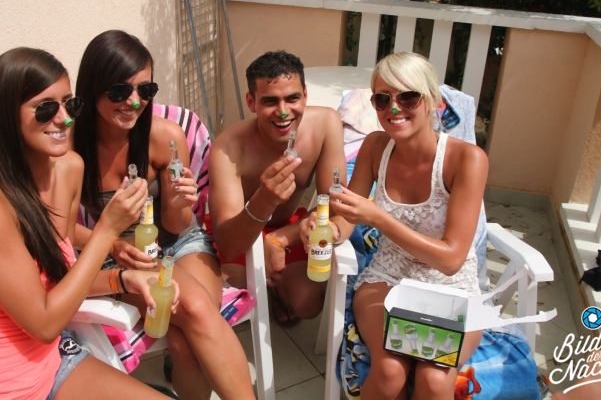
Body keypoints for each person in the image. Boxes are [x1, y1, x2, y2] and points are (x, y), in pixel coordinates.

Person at [0, 48, 178, 399]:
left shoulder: (70, 169)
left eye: (69, 104)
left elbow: (59, 285)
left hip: (49, 365)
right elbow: (43, 322)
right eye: (45, 108)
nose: (64, 119)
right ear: (6, 116)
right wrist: (107, 231)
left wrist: (122, 277)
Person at [72, 30, 254, 400]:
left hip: (181, 241)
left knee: (194, 327)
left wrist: (180, 201)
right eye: (119, 91)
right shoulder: (73, 148)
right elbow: (57, 226)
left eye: (145, 90)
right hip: (124, 254)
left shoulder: (165, 137)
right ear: (92, 88)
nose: (133, 102)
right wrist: (109, 243)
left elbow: (176, 224)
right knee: (188, 340)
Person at [305, 51, 488, 399]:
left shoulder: (466, 159)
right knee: (390, 372)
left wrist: (378, 218)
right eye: (382, 99)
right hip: (388, 277)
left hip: (452, 288)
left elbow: (451, 260)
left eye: (408, 97)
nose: (393, 108)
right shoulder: (376, 147)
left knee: (435, 381)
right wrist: (327, 229)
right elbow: (347, 216)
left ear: (433, 102)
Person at [208, 50, 347, 325]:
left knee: (308, 303)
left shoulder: (326, 123)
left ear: (305, 95)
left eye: (292, 98)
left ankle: (277, 290)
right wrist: (264, 200)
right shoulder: (228, 148)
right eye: (270, 101)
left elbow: (335, 203)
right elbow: (229, 244)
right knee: (232, 290)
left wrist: (280, 238)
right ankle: (270, 289)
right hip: (239, 229)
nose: (283, 111)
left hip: (287, 227)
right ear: (251, 102)